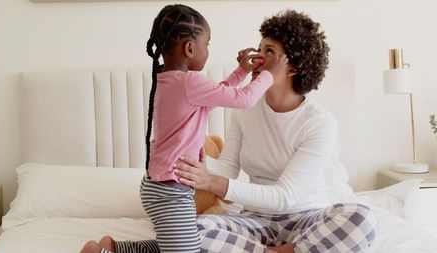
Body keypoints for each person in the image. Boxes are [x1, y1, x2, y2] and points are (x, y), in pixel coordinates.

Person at [80, 4, 287, 253]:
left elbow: (215, 97)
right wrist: (270, 75)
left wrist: (242, 71)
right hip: (171, 191)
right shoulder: (189, 82)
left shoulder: (168, 81)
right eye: (207, 44)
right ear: (190, 48)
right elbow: (243, 99)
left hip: (162, 186)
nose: (208, 50)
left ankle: (113, 248)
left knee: (179, 245)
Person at [173, 10, 379, 253]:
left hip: (307, 219)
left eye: (269, 52)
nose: (258, 58)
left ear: (292, 67)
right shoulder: (244, 109)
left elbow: (285, 196)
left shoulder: (319, 122)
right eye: (259, 49)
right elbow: (229, 167)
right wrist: (190, 159)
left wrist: (212, 181)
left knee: (363, 219)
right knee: (191, 230)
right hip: (256, 221)